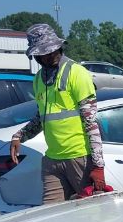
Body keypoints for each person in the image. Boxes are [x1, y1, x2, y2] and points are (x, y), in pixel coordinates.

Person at [10, 23, 110, 203]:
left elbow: (91, 123)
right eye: (44, 53)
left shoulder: (76, 73)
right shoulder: (38, 80)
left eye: (53, 50)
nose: (50, 55)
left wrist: (98, 165)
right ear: (36, 57)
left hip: (80, 158)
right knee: (51, 217)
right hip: (52, 161)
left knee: (91, 215)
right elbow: (43, 117)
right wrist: (19, 136)